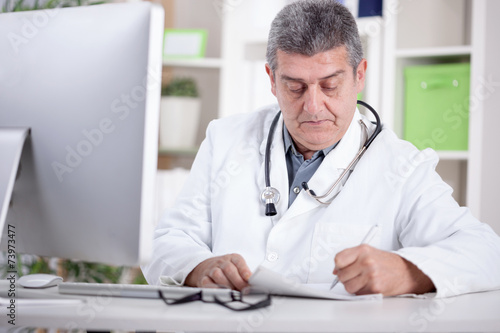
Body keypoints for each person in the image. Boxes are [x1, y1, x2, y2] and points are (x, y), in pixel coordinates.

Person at [142, 0, 500, 297]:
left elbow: (487, 253)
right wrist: (198, 266)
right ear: (271, 79)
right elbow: (166, 242)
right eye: (295, 87)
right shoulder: (225, 139)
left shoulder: (402, 166)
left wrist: (409, 272)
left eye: (329, 85)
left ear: (359, 75)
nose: (313, 106)